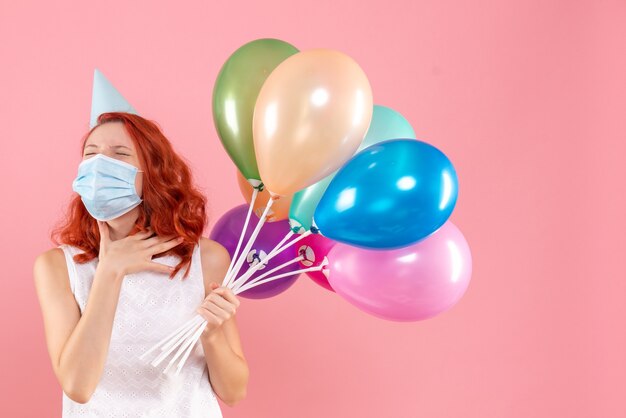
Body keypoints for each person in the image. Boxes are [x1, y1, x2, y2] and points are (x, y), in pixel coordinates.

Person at [33, 112, 248, 417]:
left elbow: (234, 392)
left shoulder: (206, 259)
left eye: (119, 155)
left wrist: (211, 333)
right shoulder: (56, 267)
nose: (99, 167)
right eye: (91, 155)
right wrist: (110, 271)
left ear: (153, 172)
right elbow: (78, 386)